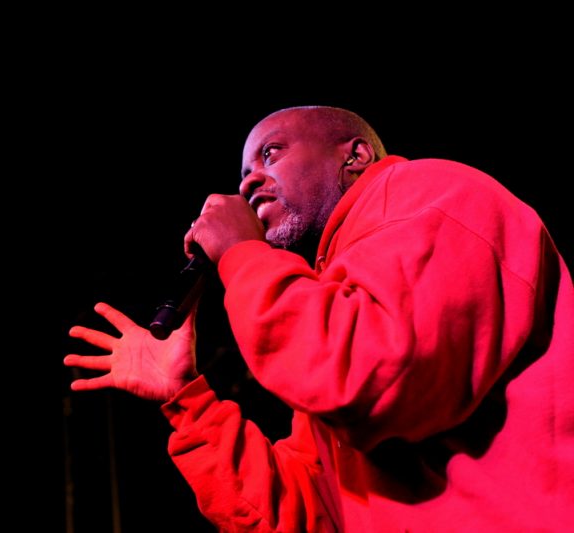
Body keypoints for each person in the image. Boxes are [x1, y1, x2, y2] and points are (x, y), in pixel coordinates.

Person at [63, 106, 574, 532]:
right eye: (243, 172)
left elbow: (371, 377)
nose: (249, 182)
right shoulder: (335, 295)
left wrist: (241, 252)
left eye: (271, 154)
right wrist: (187, 401)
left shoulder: (432, 193)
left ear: (355, 156)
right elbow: (306, 512)